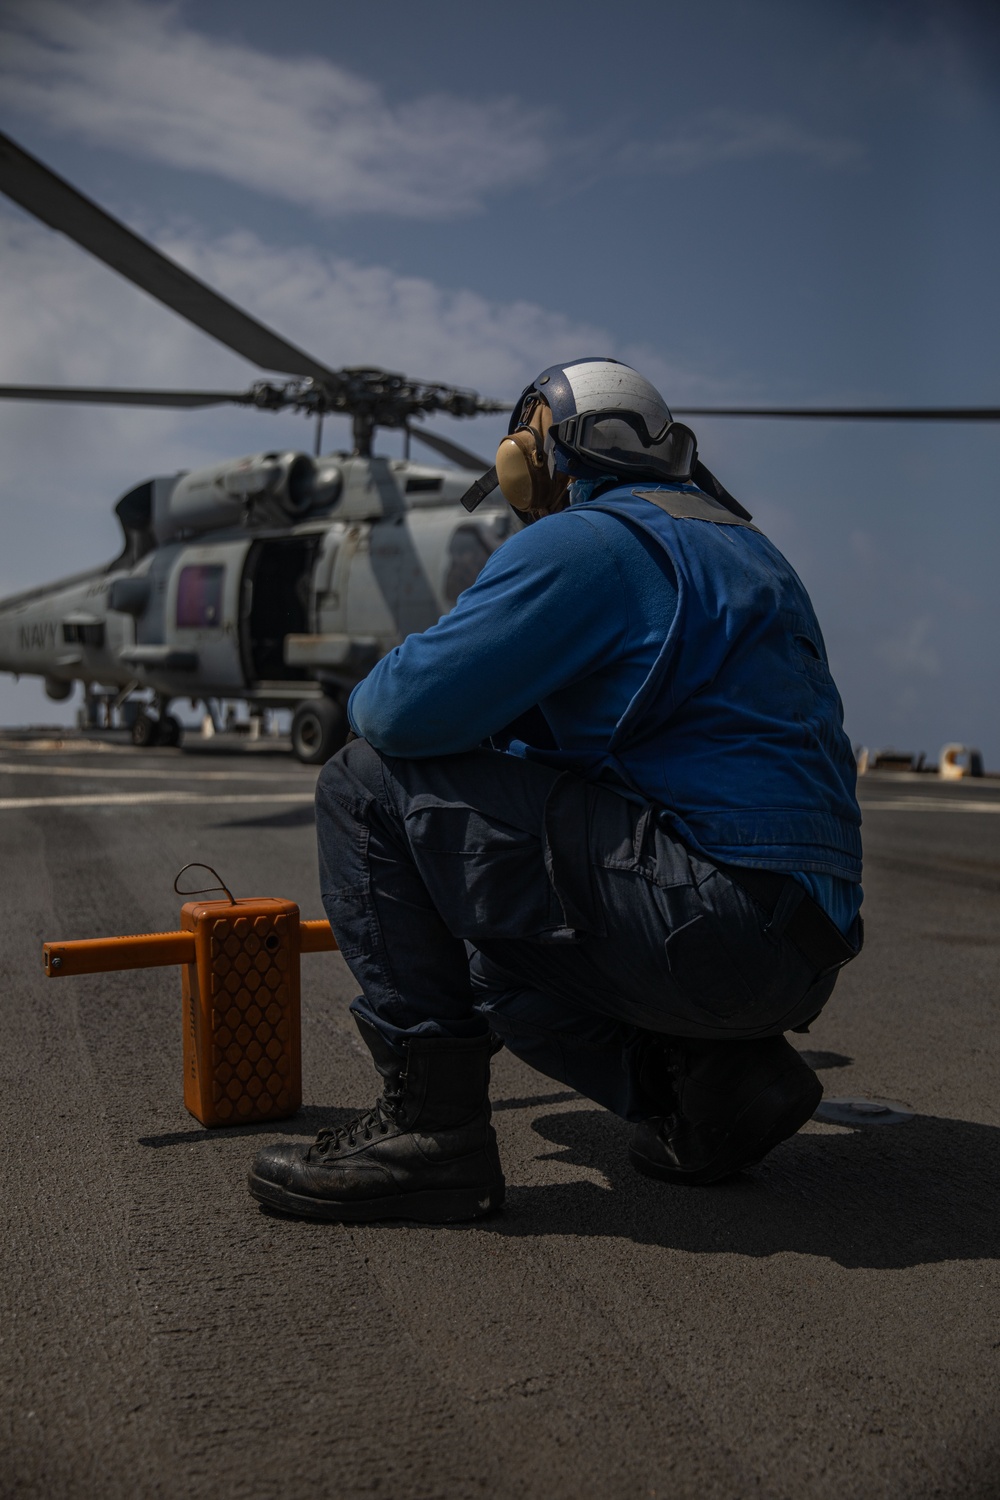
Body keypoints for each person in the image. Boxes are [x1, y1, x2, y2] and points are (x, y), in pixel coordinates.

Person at [249, 358, 863, 1224]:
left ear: (531, 455)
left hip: (708, 919)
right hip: (802, 951)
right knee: (499, 961)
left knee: (362, 782)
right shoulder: (749, 551)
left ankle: (433, 1134)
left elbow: (392, 713)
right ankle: (717, 1091)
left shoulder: (589, 543)